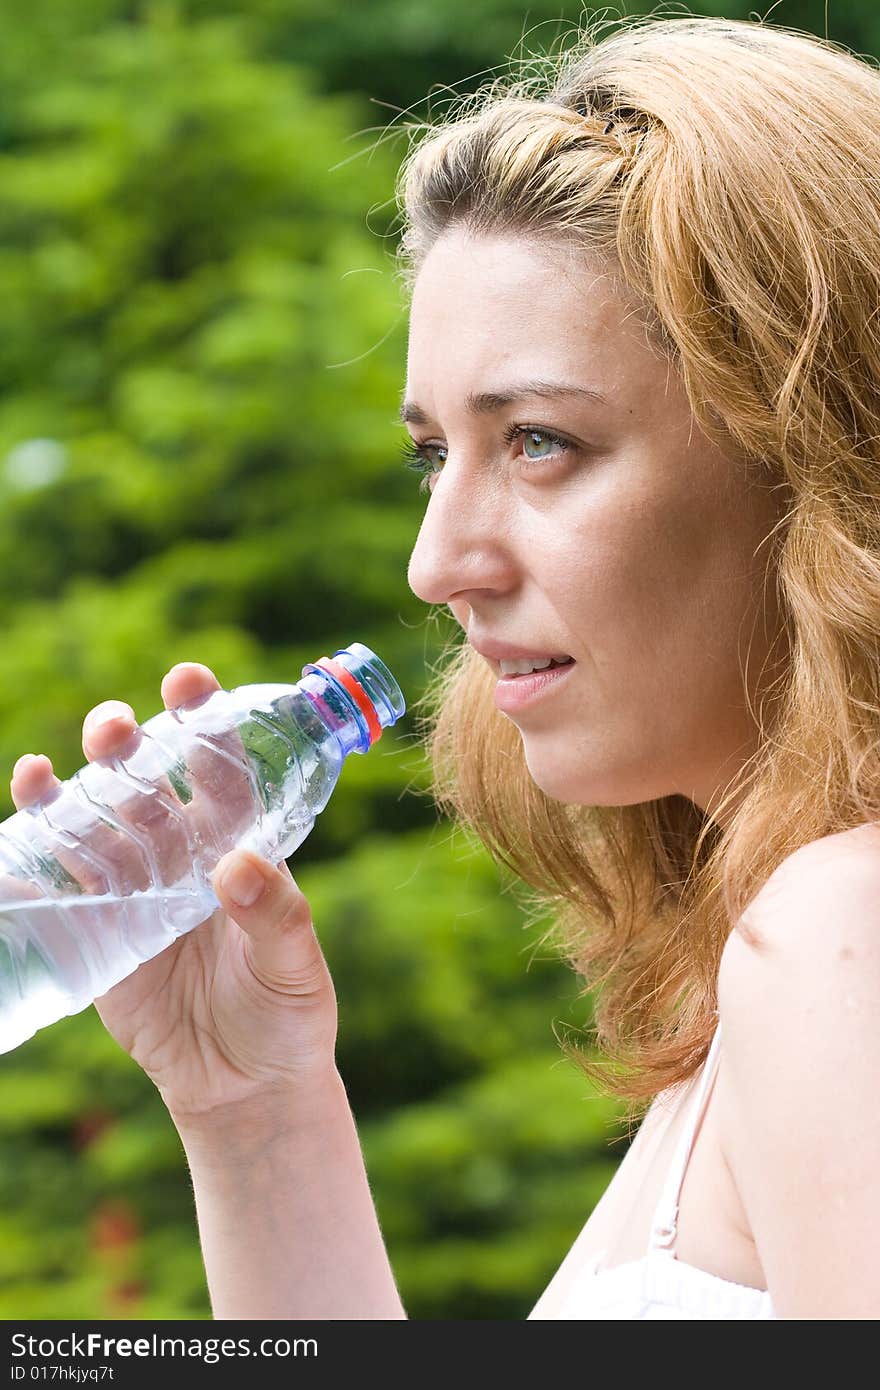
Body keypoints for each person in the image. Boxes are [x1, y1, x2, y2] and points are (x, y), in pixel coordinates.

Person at [9, 12, 880, 1319]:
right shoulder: (754, 976)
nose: (435, 561)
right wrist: (254, 1112)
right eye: (434, 455)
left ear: (808, 461)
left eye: (536, 441)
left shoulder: (836, 935)